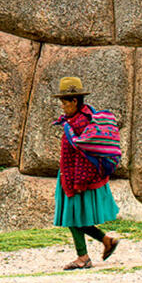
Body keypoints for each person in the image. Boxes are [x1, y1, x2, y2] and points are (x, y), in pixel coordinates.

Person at [53, 75, 120, 270]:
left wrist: (78, 183)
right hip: (69, 176)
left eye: (64, 102)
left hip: (77, 178)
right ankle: (106, 241)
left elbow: (82, 156)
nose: (62, 107)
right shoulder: (76, 118)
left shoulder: (80, 123)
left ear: (75, 101)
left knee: (72, 218)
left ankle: (84, 257)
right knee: (73, 218)